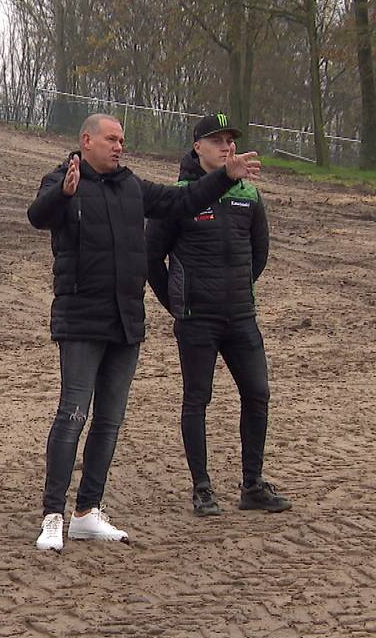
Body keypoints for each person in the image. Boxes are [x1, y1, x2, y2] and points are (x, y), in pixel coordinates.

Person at [28, 113, 262, 551]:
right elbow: (37, 217)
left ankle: (87, 512)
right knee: (73, 414)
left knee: (110, 420)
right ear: (87, 140)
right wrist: (63, 193)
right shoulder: (63, 180)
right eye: (112, 139)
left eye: (122, 140)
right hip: (80, 320)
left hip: (125, 321)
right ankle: (53, 515)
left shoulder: (131, 186)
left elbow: (182, 202)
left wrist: (225, 179)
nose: (119, 146)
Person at [146, 113, 292, 517]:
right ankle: (202, 488)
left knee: (258, 394)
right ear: (198, 147)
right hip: (197, 320)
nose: (226, 146)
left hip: (241, 316)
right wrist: (178, 303)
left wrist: (239, 289)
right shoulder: (180, 195)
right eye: (217, 140)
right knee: (197, 400)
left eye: (230, 140)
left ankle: (252, 485)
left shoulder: (249, 193)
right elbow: (150, 257)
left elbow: (258, 254)